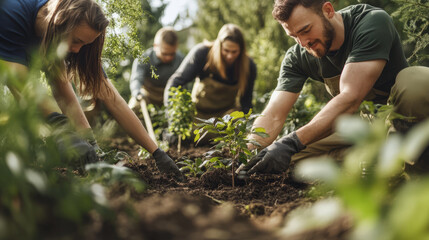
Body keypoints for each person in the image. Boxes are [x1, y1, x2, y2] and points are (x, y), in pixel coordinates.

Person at [240, 0, 429, 175]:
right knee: (278, 160)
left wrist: (292, 141)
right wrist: (242, 154)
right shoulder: (297, 57)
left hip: (401, 119)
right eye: (294, 36)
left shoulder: (371, 22)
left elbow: (350, 97)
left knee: (414, 80)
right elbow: (273, 115)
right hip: (364, 127)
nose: (303, 42)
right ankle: (370, 161)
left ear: (328, 10)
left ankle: (408, 172)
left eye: (305, 30)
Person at [0, 0, 183, 180]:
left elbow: (111, 100)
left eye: (85, 44)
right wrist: (61, 128)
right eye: (77, 41)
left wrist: (156, 152)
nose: (78, 50)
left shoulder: (67, 42)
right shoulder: (12, 11)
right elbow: (21, 83)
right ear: (59, 22)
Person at [164, 23, 257, 120]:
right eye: (226, 50)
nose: (230, 56)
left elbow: (246, 102)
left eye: (234, 52)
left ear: (241, 50)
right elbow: (176, 82)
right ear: (219, 46)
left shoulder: (248, 66)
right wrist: (172, 117)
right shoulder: (202, 53)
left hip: (227, 117)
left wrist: (247, 125)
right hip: (198, 115)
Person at [129, 27, 184, 108]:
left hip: (171, 97)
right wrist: (137, 92)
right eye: (164, 54)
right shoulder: (144, 59)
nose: (168, 57)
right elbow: (136, 78)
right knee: (133, 108)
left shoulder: (181, 59)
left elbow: (184, 84)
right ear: (155, 46)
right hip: (148, 95)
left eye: (172, 54)